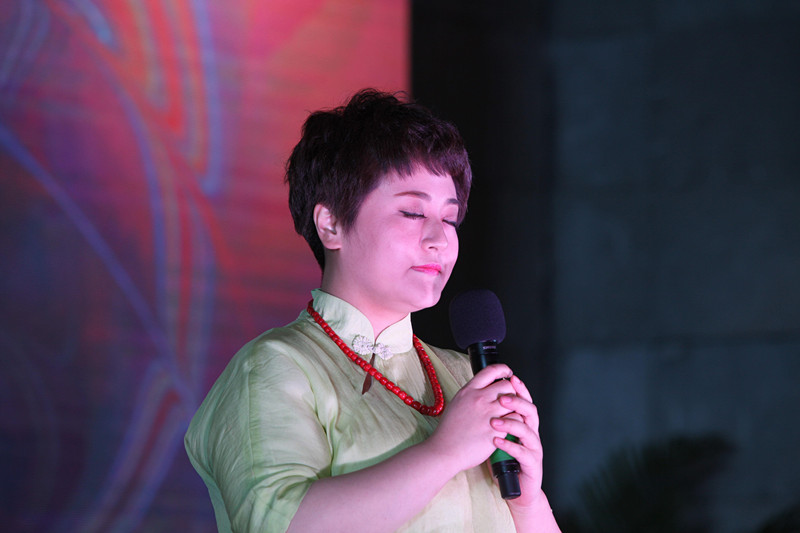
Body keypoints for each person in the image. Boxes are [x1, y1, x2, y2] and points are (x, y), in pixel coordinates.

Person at [184, 89, 561, 533]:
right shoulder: (274, 367)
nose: (439, 239)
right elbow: (277, 524)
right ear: (331, 224)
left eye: (450, 218)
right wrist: (445, 453)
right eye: (412, 213)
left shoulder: (465, 377)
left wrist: (528, 502)